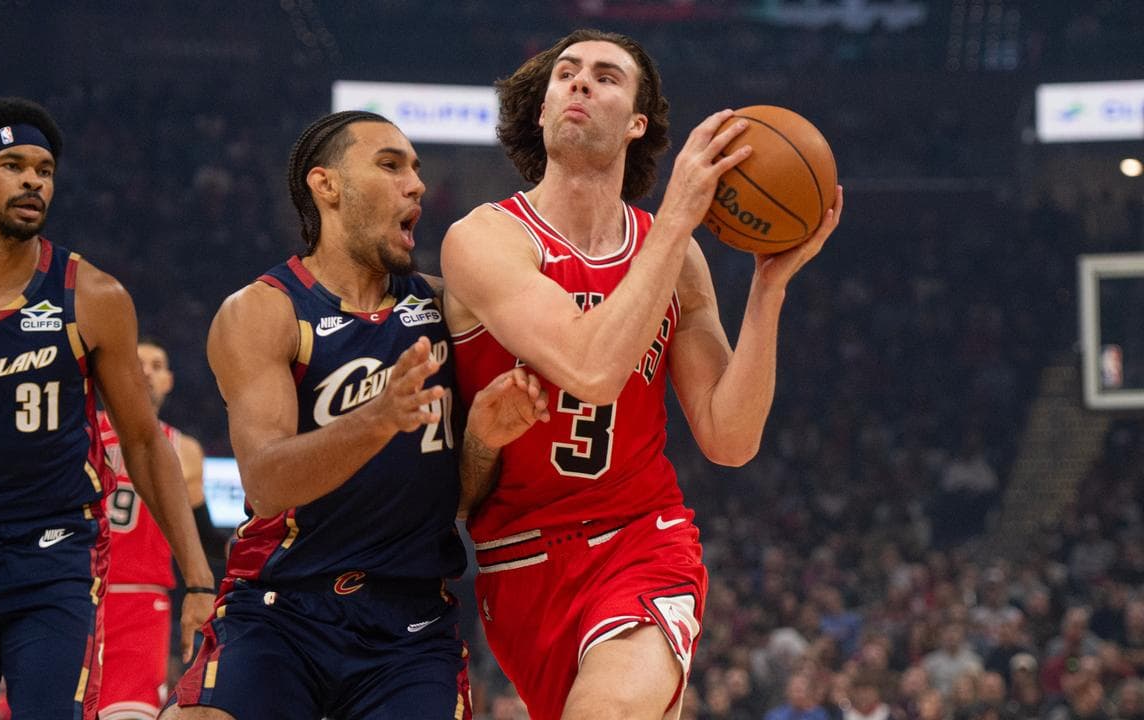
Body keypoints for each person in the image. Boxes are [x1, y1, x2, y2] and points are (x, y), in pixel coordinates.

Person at [441, 28, 844, 720]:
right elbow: (589, 367)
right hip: (516, 562)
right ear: (540, 111)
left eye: (606, 76)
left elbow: (730, 436)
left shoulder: (675, 259)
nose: (579, 83)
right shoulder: (486, 238)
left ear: (637, 123)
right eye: (565, 73)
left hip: (641, 538)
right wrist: (680, 219)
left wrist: (768, 289)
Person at [162, 110, 548, 720]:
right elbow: (265, 483)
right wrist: (379, 417)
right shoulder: (264, 312)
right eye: (391, 165)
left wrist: (483, 439)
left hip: (412, 623)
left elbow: (465, 502)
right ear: (327, 185)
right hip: (280, 607)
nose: (416, 184)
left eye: (417, 171)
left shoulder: (446, 306)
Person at [0, 97, 215, 720]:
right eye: (12, 165)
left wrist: (198, 578)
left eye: (45, 169)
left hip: (53, 560)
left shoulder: (95, 295)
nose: (33, 180)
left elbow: (142, 442)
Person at [98, 339, 228, 720]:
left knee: (130, 713)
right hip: (75, 591)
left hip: (141, 603)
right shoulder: (79, 433)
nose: (147, 371)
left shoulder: (184, 449)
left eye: (157, 365)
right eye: (137, 362)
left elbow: (202, 540)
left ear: (170, 381)